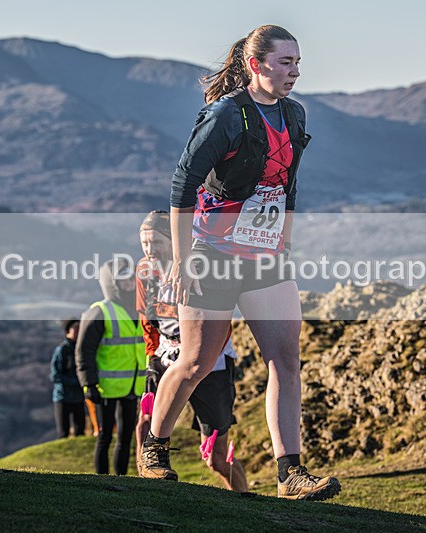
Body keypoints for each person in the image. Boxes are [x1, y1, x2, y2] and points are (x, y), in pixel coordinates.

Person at [138, 25, 340, 501]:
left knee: (285, 360)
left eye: (297, 62)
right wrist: (183, 262)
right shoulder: (225, 115)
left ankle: (290, 473)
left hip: (265, 255)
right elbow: (182, 187)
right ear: (255, 64)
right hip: (212, 253)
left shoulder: (294, 114)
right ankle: (155, 448)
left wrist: (284, 239)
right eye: (285, 62)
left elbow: (287, 183)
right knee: (196, 361)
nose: (295, 72)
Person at [135, 210, 248, 491]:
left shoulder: (199, 265)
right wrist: (152, 354)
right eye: (145, 243)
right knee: (145, 424)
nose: (149, 249)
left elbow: (221, 320)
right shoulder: (144, 270)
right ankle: (147, 484)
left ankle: (245, 500)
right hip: (164, 355)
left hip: (209, 362)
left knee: (215, 458)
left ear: (173, 240)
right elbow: (145, 317)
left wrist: (199, 356)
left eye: (156, 242)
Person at [76, 260, 146, 475]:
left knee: (126, 437)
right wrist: (89, 384)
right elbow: (84, 351)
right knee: (104, 436)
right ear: (112, 283)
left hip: (133, 386)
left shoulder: (141, 309)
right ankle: (101, 481)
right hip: (105, 388)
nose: (129, 283)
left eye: (131, 278)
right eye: (123, 280)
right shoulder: (100, 311)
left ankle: (121, 479)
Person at [50, 317, 86, 439]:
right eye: (75, 328)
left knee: (80, 431)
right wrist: (76, 382)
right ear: (67, 331)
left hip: (78, 397)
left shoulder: (82, 349)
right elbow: (55, 375)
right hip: (63, 397)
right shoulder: (62, 350)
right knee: (63, 433)